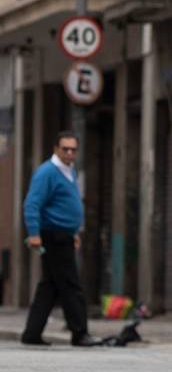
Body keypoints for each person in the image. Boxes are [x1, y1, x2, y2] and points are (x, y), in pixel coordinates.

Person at [21, 131, 99, 347]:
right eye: (65, 149)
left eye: (73, 149)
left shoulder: (69, 171)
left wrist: (73, 232)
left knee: (50, 286)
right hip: (52, 236)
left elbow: (66, 205)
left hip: (64, 236)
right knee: (71, 284)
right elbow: (32, 204)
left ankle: (32, 333)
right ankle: (79, 332)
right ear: (56, 149)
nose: (69, 153)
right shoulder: (47, 172)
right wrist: (34, 234)